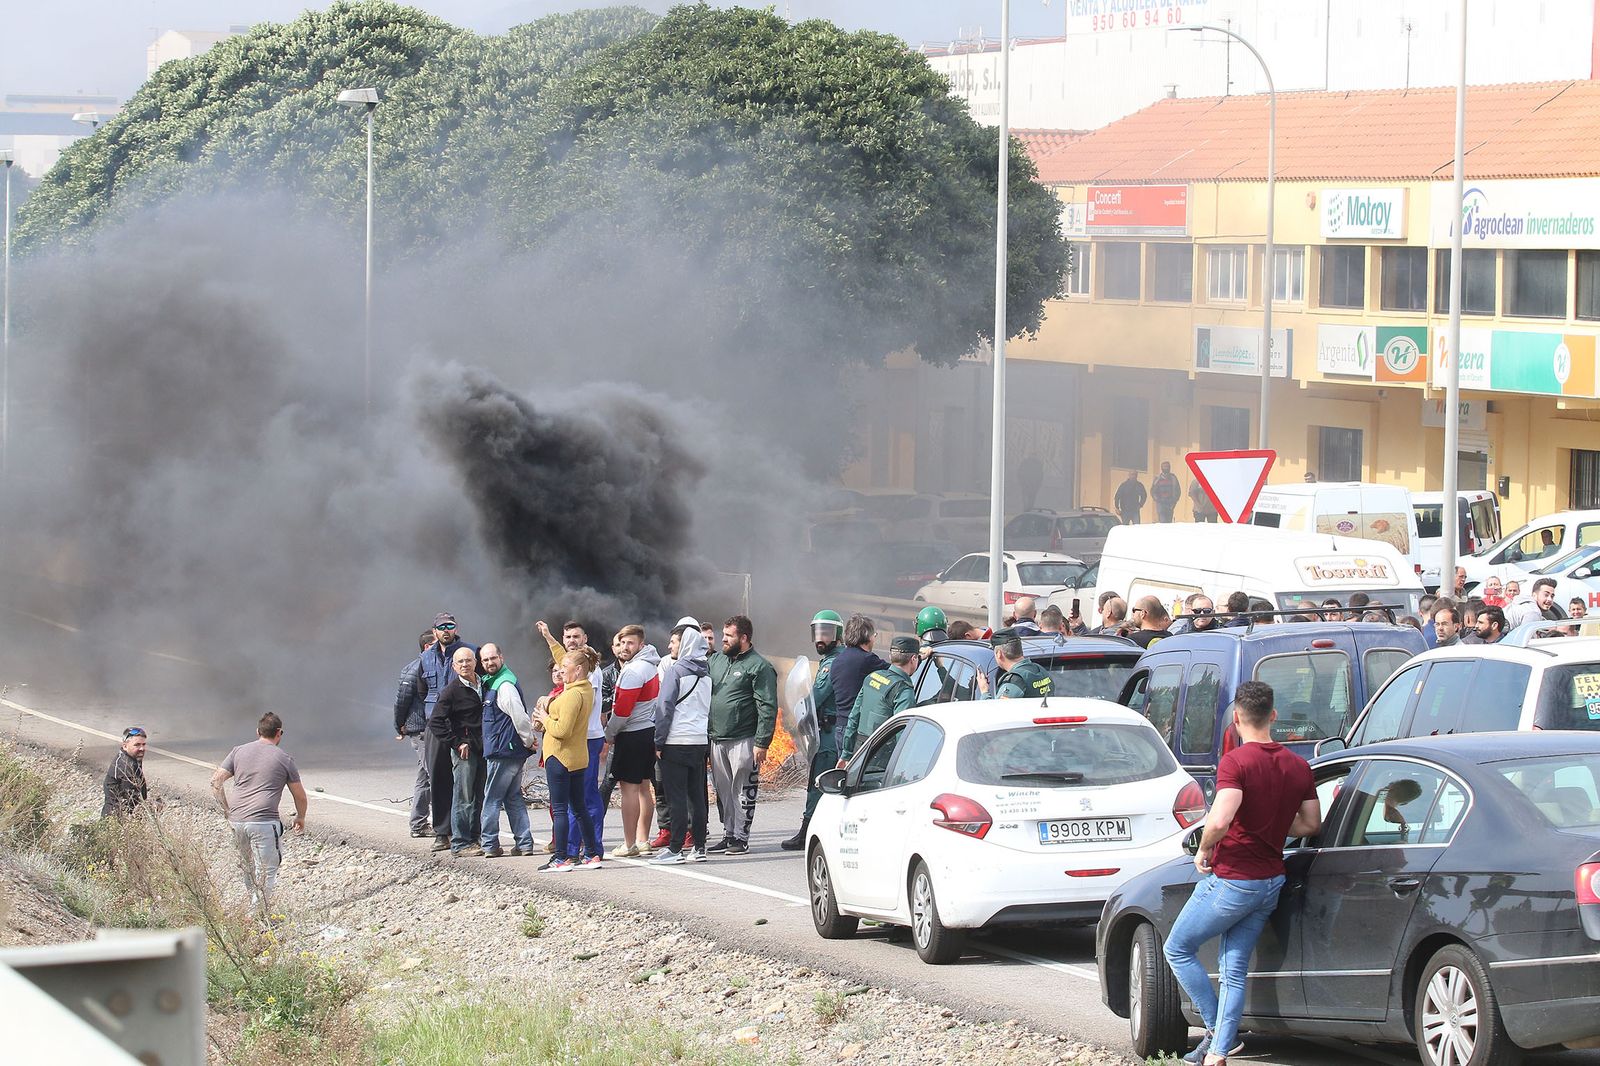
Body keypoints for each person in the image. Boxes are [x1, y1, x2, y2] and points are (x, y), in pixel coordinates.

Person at [1163, 682, 1321, 1066]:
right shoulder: (1297, 765)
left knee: (1177, 948)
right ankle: (1219, 1051)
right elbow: (1311, 823)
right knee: (1234, 968)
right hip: (1271, 880)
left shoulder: (1236, 762)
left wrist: (1205, 848)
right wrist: (1272, 826)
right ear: (1274, 717)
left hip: (1235, 879)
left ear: (1236, 718)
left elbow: (1220, 818)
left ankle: (1218, 1031)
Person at [211, 713, 308, 914]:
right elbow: (300, 796)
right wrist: (300, 816)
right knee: (267, 870)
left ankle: (253, 909)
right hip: (264, 822)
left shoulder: (238, 751)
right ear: (279, 733)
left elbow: (216, 782)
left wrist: (227, 810)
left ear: (258, 732)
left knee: (248, 867)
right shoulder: (284, 759)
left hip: (237, 821)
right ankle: (256, 917)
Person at [536, 621, 609, 864]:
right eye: (567, 637)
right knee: (578, 802)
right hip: (580, 742)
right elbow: (562, 658)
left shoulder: (577, 689)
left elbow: (564, 729)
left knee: (579, 802)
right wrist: (548, 636)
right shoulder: (581, 678)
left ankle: (566, 853)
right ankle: (589, 852)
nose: (559, 670)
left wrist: (546, 716)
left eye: (575, 637)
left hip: (579, 742)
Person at [708, 615, 778, 855]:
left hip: (744, 739)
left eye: (729, 636)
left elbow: (767, 706)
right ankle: (728, 834)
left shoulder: (760, 666)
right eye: (723, 635)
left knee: (742, 789)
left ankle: (741, 837)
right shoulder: (716, 660)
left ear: (744, 638)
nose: (723, 640)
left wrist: (762, 742)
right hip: (717, 737)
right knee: (723, 790)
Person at [781, 611, 846, 851]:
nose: (821, 638)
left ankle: (807, 831)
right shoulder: (837, 658)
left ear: (837, 635)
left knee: (818, 782)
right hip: (830, 728)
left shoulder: (833, 663)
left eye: (827, 633)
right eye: (818, 632)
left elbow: (816, 697)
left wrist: (798, 712)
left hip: (828, 732)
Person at [652, 619, 712, 864]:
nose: (670, 647)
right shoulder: (707, 674)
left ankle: (675, 849)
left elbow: (664, 707)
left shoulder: (676, 670)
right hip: (699, 741)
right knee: (697, 796)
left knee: (676, 797)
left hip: (676, 741)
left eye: (674, 642)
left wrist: (658, 741)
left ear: (684, 644)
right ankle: (699, 847)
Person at [419, 613, 477, 848]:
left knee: (467, 780)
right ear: (434, 632)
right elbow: (422, 690)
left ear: (456, 628)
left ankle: (471, 832)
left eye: (450, 626)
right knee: (439, 777)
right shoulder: (425, 657)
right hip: (436, 724)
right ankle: (442, 832)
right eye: (441, 627)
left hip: (463, 724)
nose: (446, 630)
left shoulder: (468, 653)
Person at [606, 624, 663, 859]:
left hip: (631, 734)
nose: (625, 647)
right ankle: (642, 840)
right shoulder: (652, 667)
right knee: (643, 788)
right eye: (621, 643)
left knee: (628, 789)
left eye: (630, 643)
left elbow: (622, 711)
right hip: (648, 731)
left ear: (641, 644)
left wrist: (609, 734)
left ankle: (629, 844)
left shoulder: (633, 671)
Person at [478, 642, 537, 858]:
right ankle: (524, 843)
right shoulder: (494, 681)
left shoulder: (504, 685)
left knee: (492, 798)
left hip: (503, 751)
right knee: (513, 797)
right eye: (485, 660)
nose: (489, 663)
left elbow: (520, 717)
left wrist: (529, 740)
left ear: (501, 657)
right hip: (509, 750)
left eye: (492, 658)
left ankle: (490, 844)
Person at [431, 644, 487, 856]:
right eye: (460, 662)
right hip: (464, 751)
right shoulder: (451, 691)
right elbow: (435, 722)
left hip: (483, 748)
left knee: (478, 796)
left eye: (468, 660)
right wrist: (456, 742)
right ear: (454, 667)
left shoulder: (483, 684)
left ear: (475, 662)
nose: (465, 664)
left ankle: (474, 837)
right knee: (463, 797)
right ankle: (460, 843)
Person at [838, 637, 919, 761]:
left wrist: (846, 754)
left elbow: (854, 717)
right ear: (913, 659)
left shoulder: (872, 677)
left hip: (859, 752)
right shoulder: (903, 690)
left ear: (891, 656)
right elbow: (902, 736)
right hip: (881, 760)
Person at [393, 630, 436, 838]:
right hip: (421, 730)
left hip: (427, 728)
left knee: (424, 777)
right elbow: (402, 699)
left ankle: (418, 824)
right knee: (435, 775)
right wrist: (399, 725)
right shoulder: (416, 668)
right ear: (428, 646)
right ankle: (443, 825)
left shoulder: (432, 666)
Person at [975, 629, 1054, 699]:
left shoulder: (1014, 681)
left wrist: (984, 691)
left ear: (999, 654)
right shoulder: (1040, 670)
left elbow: (997, 713)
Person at [102, 726, 150, 818]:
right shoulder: (126, 766)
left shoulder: (131, 757)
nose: (142, 748)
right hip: (117, 821)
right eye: (137, 745)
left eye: (143, 744)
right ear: (125, 746)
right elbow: (131, 802)